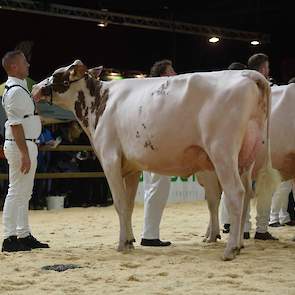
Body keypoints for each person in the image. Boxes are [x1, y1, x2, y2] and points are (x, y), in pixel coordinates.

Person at [1, 50, 49, 252]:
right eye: (24, 62)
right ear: (14, 67)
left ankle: (23, 233)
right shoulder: (15, 91)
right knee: (16, 191)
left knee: (24, 192)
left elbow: (24, 118)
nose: (28, 65)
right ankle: (9, 237)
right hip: (21, 145)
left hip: (26, 143)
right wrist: (24, 153)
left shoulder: (20, 90)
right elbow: (15, 125)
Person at [141, 59, 176, 247]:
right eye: (171, 71)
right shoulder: (160, 93)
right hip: (157, 143)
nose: (175, 75)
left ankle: (150, 233)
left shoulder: (149, 92)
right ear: (163, 75)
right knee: (158, 186)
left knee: (152, 187)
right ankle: (150, 235)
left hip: (148, 142)